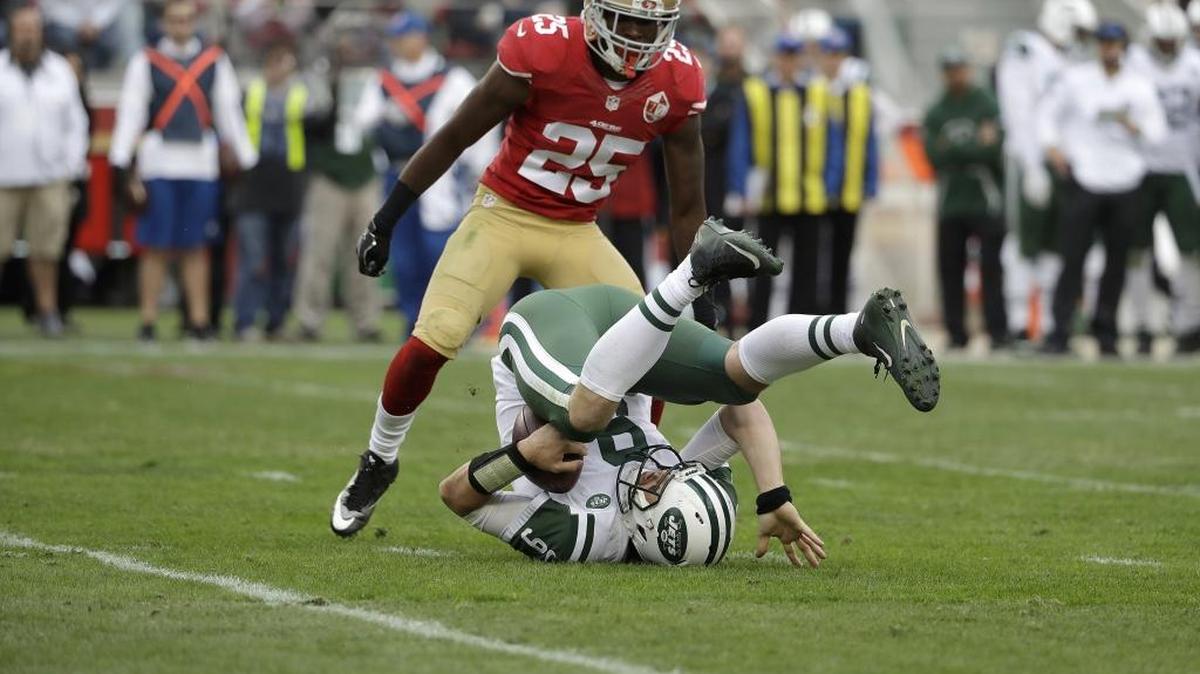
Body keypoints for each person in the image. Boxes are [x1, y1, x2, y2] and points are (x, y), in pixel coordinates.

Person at [330, 0, 714, 537]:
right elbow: (455, 135)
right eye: (625, 19)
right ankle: (379, 459)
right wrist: (387, 218)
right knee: (434, 337)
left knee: (650, 349)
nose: (637, 35)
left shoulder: (676, 79)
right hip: (503, 214)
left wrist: (704, 296)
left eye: (649, 23)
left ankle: (636, 478)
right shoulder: (545, 48)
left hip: (578, 229)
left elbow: (687, 206)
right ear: (597, 14)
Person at [435, 218, 940, 565]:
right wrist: (773, 494)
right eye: (666, 480)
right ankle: (855, 330)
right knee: (736, 379)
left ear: (647, 529)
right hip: (626, 337)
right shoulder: (683, 480)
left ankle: (690, 276)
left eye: (655, 490)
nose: (659, 473)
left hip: (549, 330)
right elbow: (742, 416)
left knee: (581, 415)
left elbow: (457, 496)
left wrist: (523, 454)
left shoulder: (589, 538)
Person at [109, 0, 257, 341]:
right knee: (156, 247)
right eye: (175, 20)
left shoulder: (214, 61)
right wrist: (120, 158)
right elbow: (131, 112)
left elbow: (229, 112)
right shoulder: (146, 61)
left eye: (187, 20)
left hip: (201, 165)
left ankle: (199, 319)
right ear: (164, 23)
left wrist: (246, 159)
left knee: (196, 247)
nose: (181, 26)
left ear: (195, 21)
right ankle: (148, 319)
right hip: (159, 161)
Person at [353, 11, 495, 336]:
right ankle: (413, 320)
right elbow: (363, 121)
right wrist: (386, 121)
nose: (401, 45)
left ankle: (454, 319)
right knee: (404, 256)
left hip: (441, 177)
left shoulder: (452, 78)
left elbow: (480, 127)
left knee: (442, 250)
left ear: (421, 37)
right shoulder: (385, 80)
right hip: (397, 172)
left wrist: (477, 168)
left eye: (405, 37)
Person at [1037, 21, 1167, 356]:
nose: (1110, 50)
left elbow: (1157, 133)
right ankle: (1061, 330)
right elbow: (1047, 115)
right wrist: (1053, 149)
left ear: (1124, 47)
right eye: (1105, 43)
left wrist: (1131, 124)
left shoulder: (1139, 86)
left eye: (1116, 43)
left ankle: (1106, 329)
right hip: (1086, 177)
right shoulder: (1077, 80)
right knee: (1073, 258)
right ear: (1098, 46)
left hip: (1126, 179)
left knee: (1117, 260)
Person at [996, 0, 1097, 343]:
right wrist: (1031, 165)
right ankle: (1019, 321)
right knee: (1025, 241)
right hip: (1031, 158)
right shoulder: (1025, 49)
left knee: (1058, 244)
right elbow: (1018, 110)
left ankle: (1055, 323)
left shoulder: (1073, 59)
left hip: (1064, 161)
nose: (1083, 39)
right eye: (1079, 31)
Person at [727, 30, 829, 327]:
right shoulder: (756, 91)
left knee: (807, 268)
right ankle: (758, 327)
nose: (788, 63)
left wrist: (829, 182)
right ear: (776, 58)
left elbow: (832, 142)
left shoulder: (816, 92)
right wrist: (739, 187)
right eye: (784, 56)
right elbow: (741, 143)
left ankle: (803, 329)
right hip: (768, 196)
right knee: (762, 267)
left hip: (808, 194)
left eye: (793, 57)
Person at [0, 6, 89, 338]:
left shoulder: (60, 71)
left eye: (32, 29)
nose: (27, 35)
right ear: (11, 31)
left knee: (47, 250)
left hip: (50, 175)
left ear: (42, 32)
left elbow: (76, 124)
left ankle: (48, 311)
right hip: (4, 175)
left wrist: (70, 165)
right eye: (21, 28)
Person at [292, 38, 384, 343]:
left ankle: (366, 321)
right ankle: (309, 319)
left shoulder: (374, 80)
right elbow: (308, 122)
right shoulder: (316, 82)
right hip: (329, 176)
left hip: (364, 174)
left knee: (365, 252)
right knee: (319, 252)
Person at [1125, 3, 1200, 355]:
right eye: (1163, 42)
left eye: (1173, 41)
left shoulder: (1194, 65)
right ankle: (1142, 324)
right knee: (1136, 251)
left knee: (1191, 249)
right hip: (1140, 169)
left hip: (1182, 168)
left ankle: (1189, 323)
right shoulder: (1134, 64)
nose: (1168, 48)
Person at [923, 47, 1007, 350]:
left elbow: (991, 149)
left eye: (959, 68)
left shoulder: (984, 102)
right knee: (950, 269)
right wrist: (972, 147)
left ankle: (998, 331)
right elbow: (934, 156)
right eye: (950, 69)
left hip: (985, 199)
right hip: (951, 201)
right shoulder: (937, 110)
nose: (955, 75)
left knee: (992, 269)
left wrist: (955, 150)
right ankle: (956, 332)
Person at [231, 41, 309, 341]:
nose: (282, 71)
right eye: (277, 63)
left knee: (283, 261)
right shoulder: (250, 93)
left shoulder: (302, 95)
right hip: (254, 186)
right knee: (254, 259)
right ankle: (245, 321)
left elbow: (320, 123)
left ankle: (275, 321)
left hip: (288, 187)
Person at [814, 27, 878, 315]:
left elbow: (869, 142)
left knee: (843, 255)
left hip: (849, 188)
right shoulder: (813, 92)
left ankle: (837, 315)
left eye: (838, 55)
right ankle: (814, 312)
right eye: (829, 55)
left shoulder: (859, 95)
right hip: (815, 189)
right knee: (815, 255)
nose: (833, 62)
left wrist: (871, 182)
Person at [41, 0, 142, 70]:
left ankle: (138, 72)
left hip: (101, 26)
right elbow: (50, 7)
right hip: (66, 25)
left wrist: (96, 23)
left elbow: (114, 4)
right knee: (61, 35)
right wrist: (79, 24)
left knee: (128, 19)